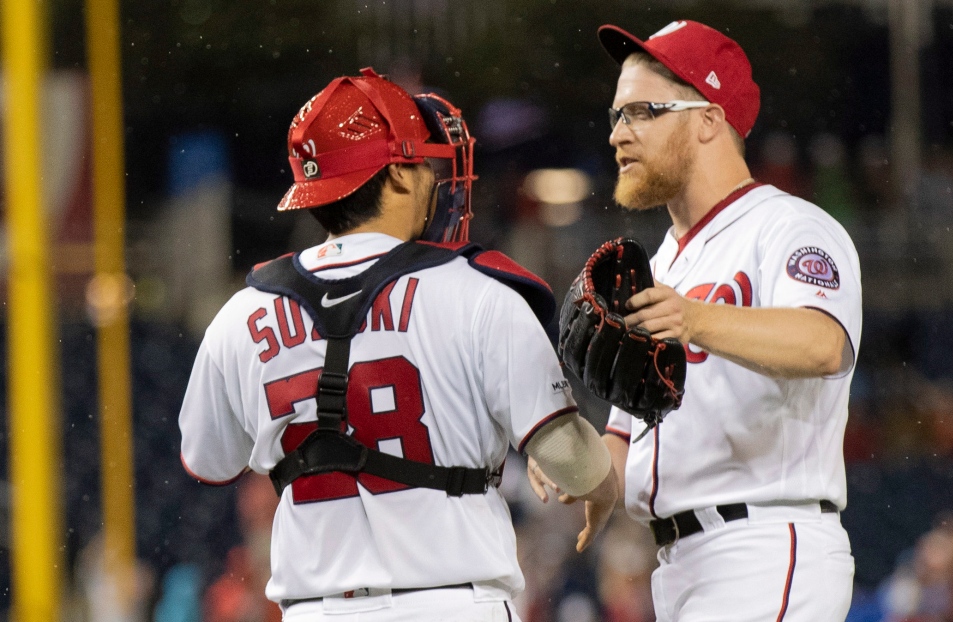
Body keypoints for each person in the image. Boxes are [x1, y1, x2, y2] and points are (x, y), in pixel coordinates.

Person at [178, 67, 617, 621]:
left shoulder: (239, 314)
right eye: (424, 162)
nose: (435, 178)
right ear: (399, 176)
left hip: (317, 608)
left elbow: (208, 460)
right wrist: (603, 484)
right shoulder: (478, 293)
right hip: (453, 602)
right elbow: (569, 459)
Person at [542, 20, 862, 622]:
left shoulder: (790, 228)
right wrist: (578, 465)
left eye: (641, 112)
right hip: (680, 564)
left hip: (766, 544)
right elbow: (624, 435)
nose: (618, 134)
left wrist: (693, 317)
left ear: (709, 120)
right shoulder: (662, 262)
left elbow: (823, 342)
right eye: (616, 116)